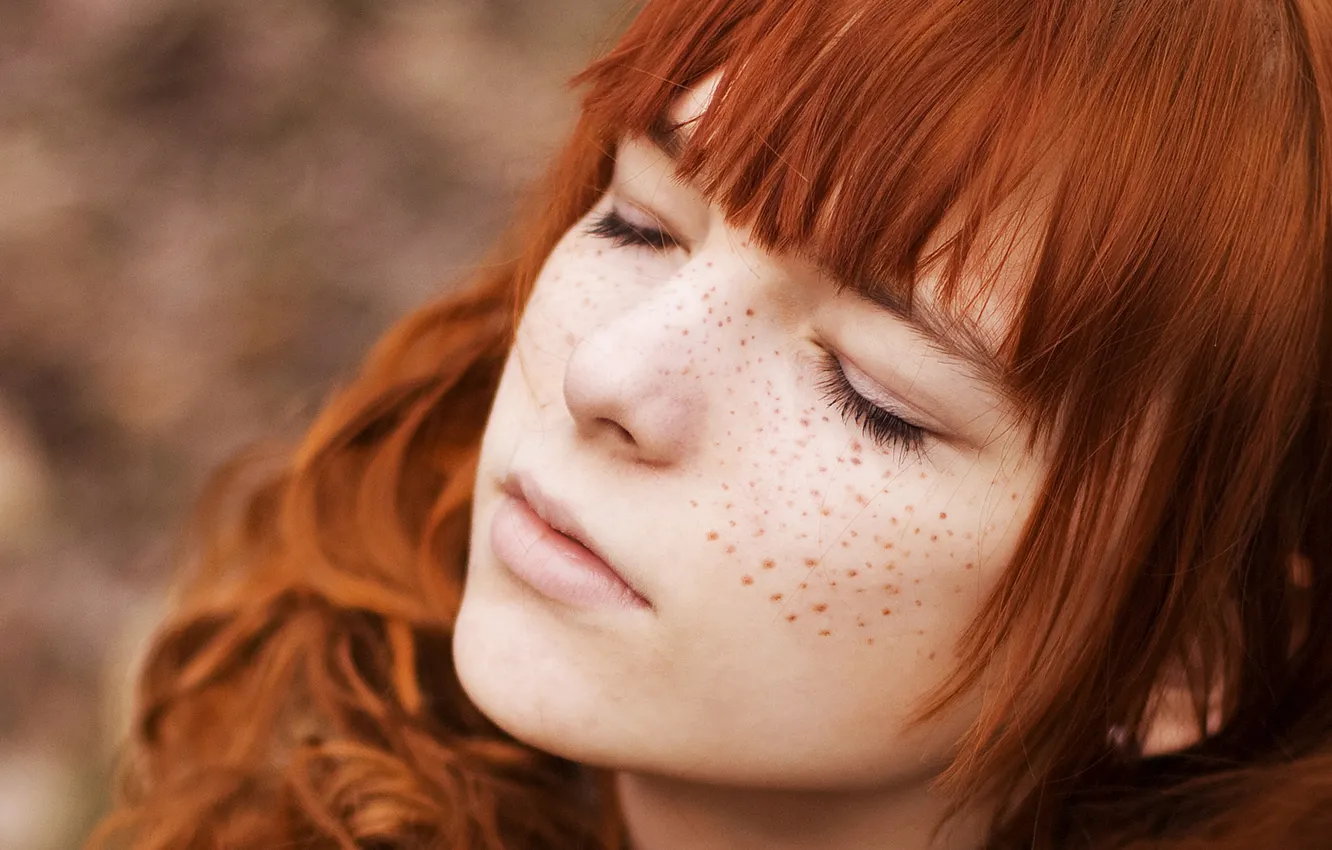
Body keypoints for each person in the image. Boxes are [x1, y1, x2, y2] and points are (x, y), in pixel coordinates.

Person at [90, 1, 1332, 848]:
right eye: (640, 221)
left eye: (873, 394)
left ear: (1185, 655)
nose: (611, 373)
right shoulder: (290, 747)